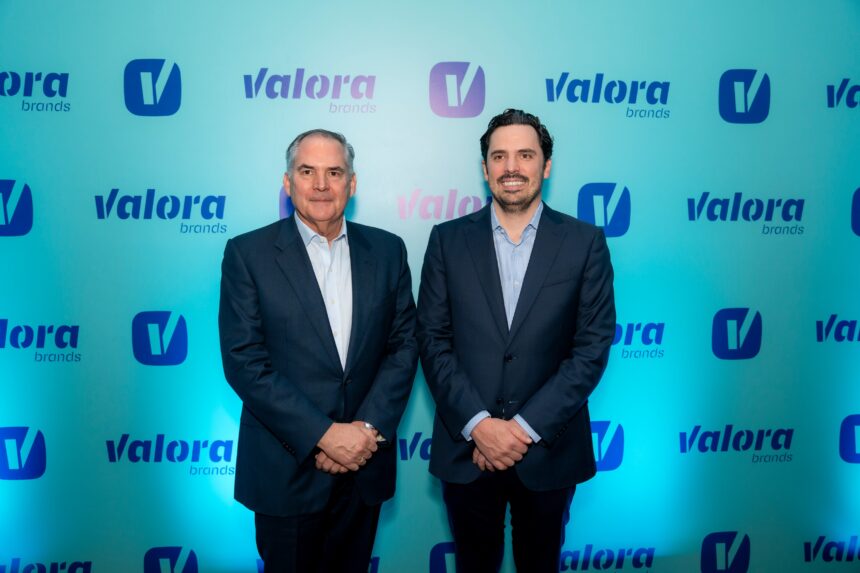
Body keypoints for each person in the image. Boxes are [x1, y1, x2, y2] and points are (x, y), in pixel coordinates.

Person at [417, 109, 616, 572]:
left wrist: (522, 430)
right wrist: (480, 426)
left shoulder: (585, 242)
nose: (512, 167)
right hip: (467, 450)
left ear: (546, 166)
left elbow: (591, 347)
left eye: (525, 155)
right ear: (485, 168)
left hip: (549, 451)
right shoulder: (447, 241)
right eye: (499, 156)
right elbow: (433, 340)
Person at [219, 129, 418, 573]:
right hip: (286, 472)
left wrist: (365, 431)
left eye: (334, 172)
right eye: (307, 172)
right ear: (288, 182)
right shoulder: (248, 254)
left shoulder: (388, 250)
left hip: (365, 465)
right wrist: (324, 435)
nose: (321, 185)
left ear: (352, 182)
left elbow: (404, 346)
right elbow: (244, 361)